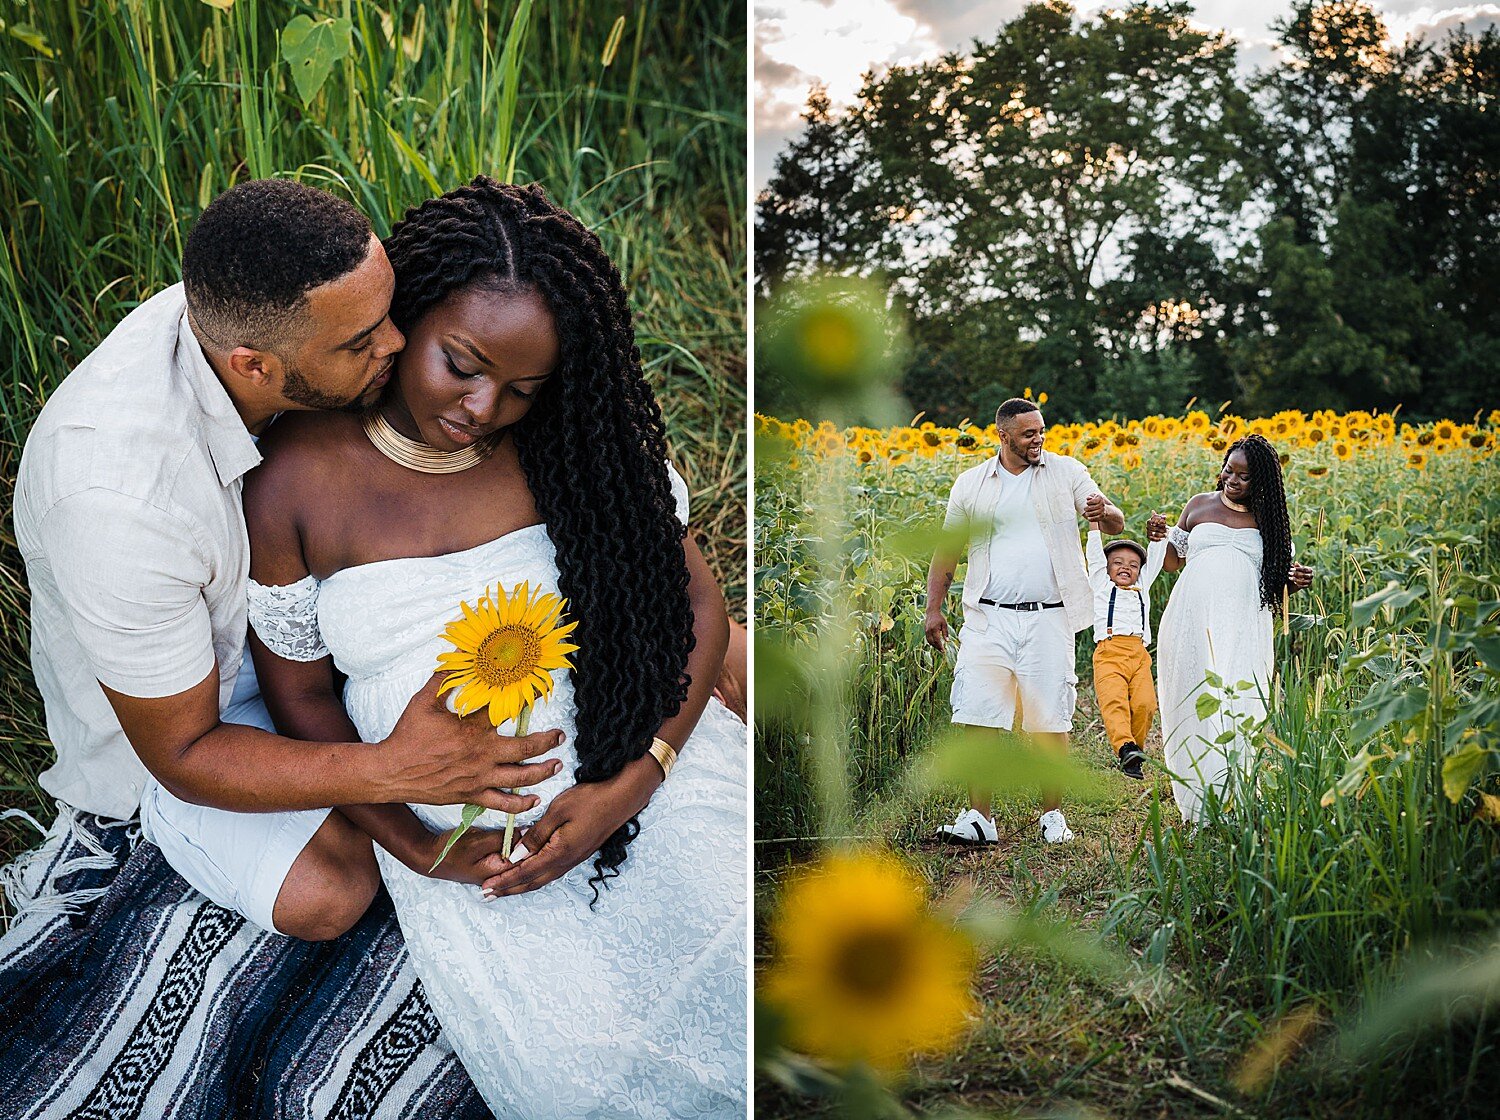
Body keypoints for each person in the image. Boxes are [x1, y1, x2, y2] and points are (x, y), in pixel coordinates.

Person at [240, 177, 747, 1118]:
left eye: (521, 387)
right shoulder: (294, 480)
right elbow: (302, 700)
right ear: (402, 316)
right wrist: (419, 847)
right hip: (466, 841)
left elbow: (698, 610)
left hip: (636, 756)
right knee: (579, 1077)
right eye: (460, 365)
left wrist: (631, 782)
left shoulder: (571, 449)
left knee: (747, 972)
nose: (483, 407)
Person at [12, 178, 573, 942]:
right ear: (254, 369)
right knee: (332, 890)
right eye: (362, 342)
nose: (397, 344)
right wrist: (396, 771)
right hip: (199, 708)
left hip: (310, 628)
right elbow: (184, 750)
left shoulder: (285, 309)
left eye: (388, 313)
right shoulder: (118, 502)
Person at [925, 397, 1124, 845]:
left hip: (1048, 617)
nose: (1039, 439)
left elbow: (1115, 519)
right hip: (987, 617)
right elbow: (948, 550)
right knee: (978, 715)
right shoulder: (972, 484)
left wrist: (1102, 513)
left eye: (1041, 431)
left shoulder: (1066, 472)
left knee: (1050, 717)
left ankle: (1053, 817)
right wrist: (933, 608)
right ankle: (980, 819)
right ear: (1003, 435)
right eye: (1029, 433)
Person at [1156, 434, 1313, 824]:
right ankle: (1196, 798)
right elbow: (1172, 562)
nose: (1232, 479)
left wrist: (1297, 581)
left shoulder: (1270, 521)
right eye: (1229, 470)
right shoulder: (1198, 506)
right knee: (1193, 694)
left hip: (1243, 620)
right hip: (1191, 616)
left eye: (1243, 476)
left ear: (1261, 481)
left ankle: (1234, 796)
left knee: (1238, 699)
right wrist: (1159, 538)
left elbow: (1278, 581)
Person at [1085, 516, 1168, 780]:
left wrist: (1158, 534)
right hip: (1109, 653)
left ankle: (1134, 752)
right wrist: (1094, 525)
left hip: (1139, 654)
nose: (1125, 568)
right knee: (1115, 702)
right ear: (1107, 569)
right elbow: (1095, 556)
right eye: (1117, 563)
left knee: (1146, 704)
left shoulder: (1142, 588)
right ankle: (1124, 747)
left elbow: (1155, 559)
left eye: (1133, 565)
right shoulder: (1101, 586)